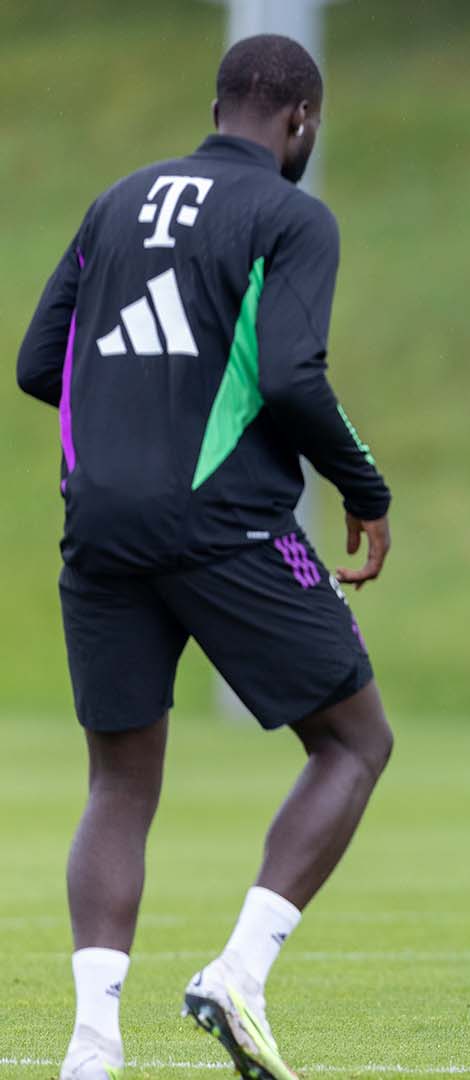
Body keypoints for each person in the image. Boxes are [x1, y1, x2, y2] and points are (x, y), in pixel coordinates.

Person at [16, 34, 395, 1080]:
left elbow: (38, 363)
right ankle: (238, 972)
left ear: (217, 104)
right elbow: (291, 378)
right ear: (300, 122)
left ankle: (93, 1041)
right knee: (356, 743)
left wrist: (134, 418)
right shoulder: (290, 214)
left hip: (96, 527)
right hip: (224, 522)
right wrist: (367, 492)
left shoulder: (116, 202)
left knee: (120, 784)